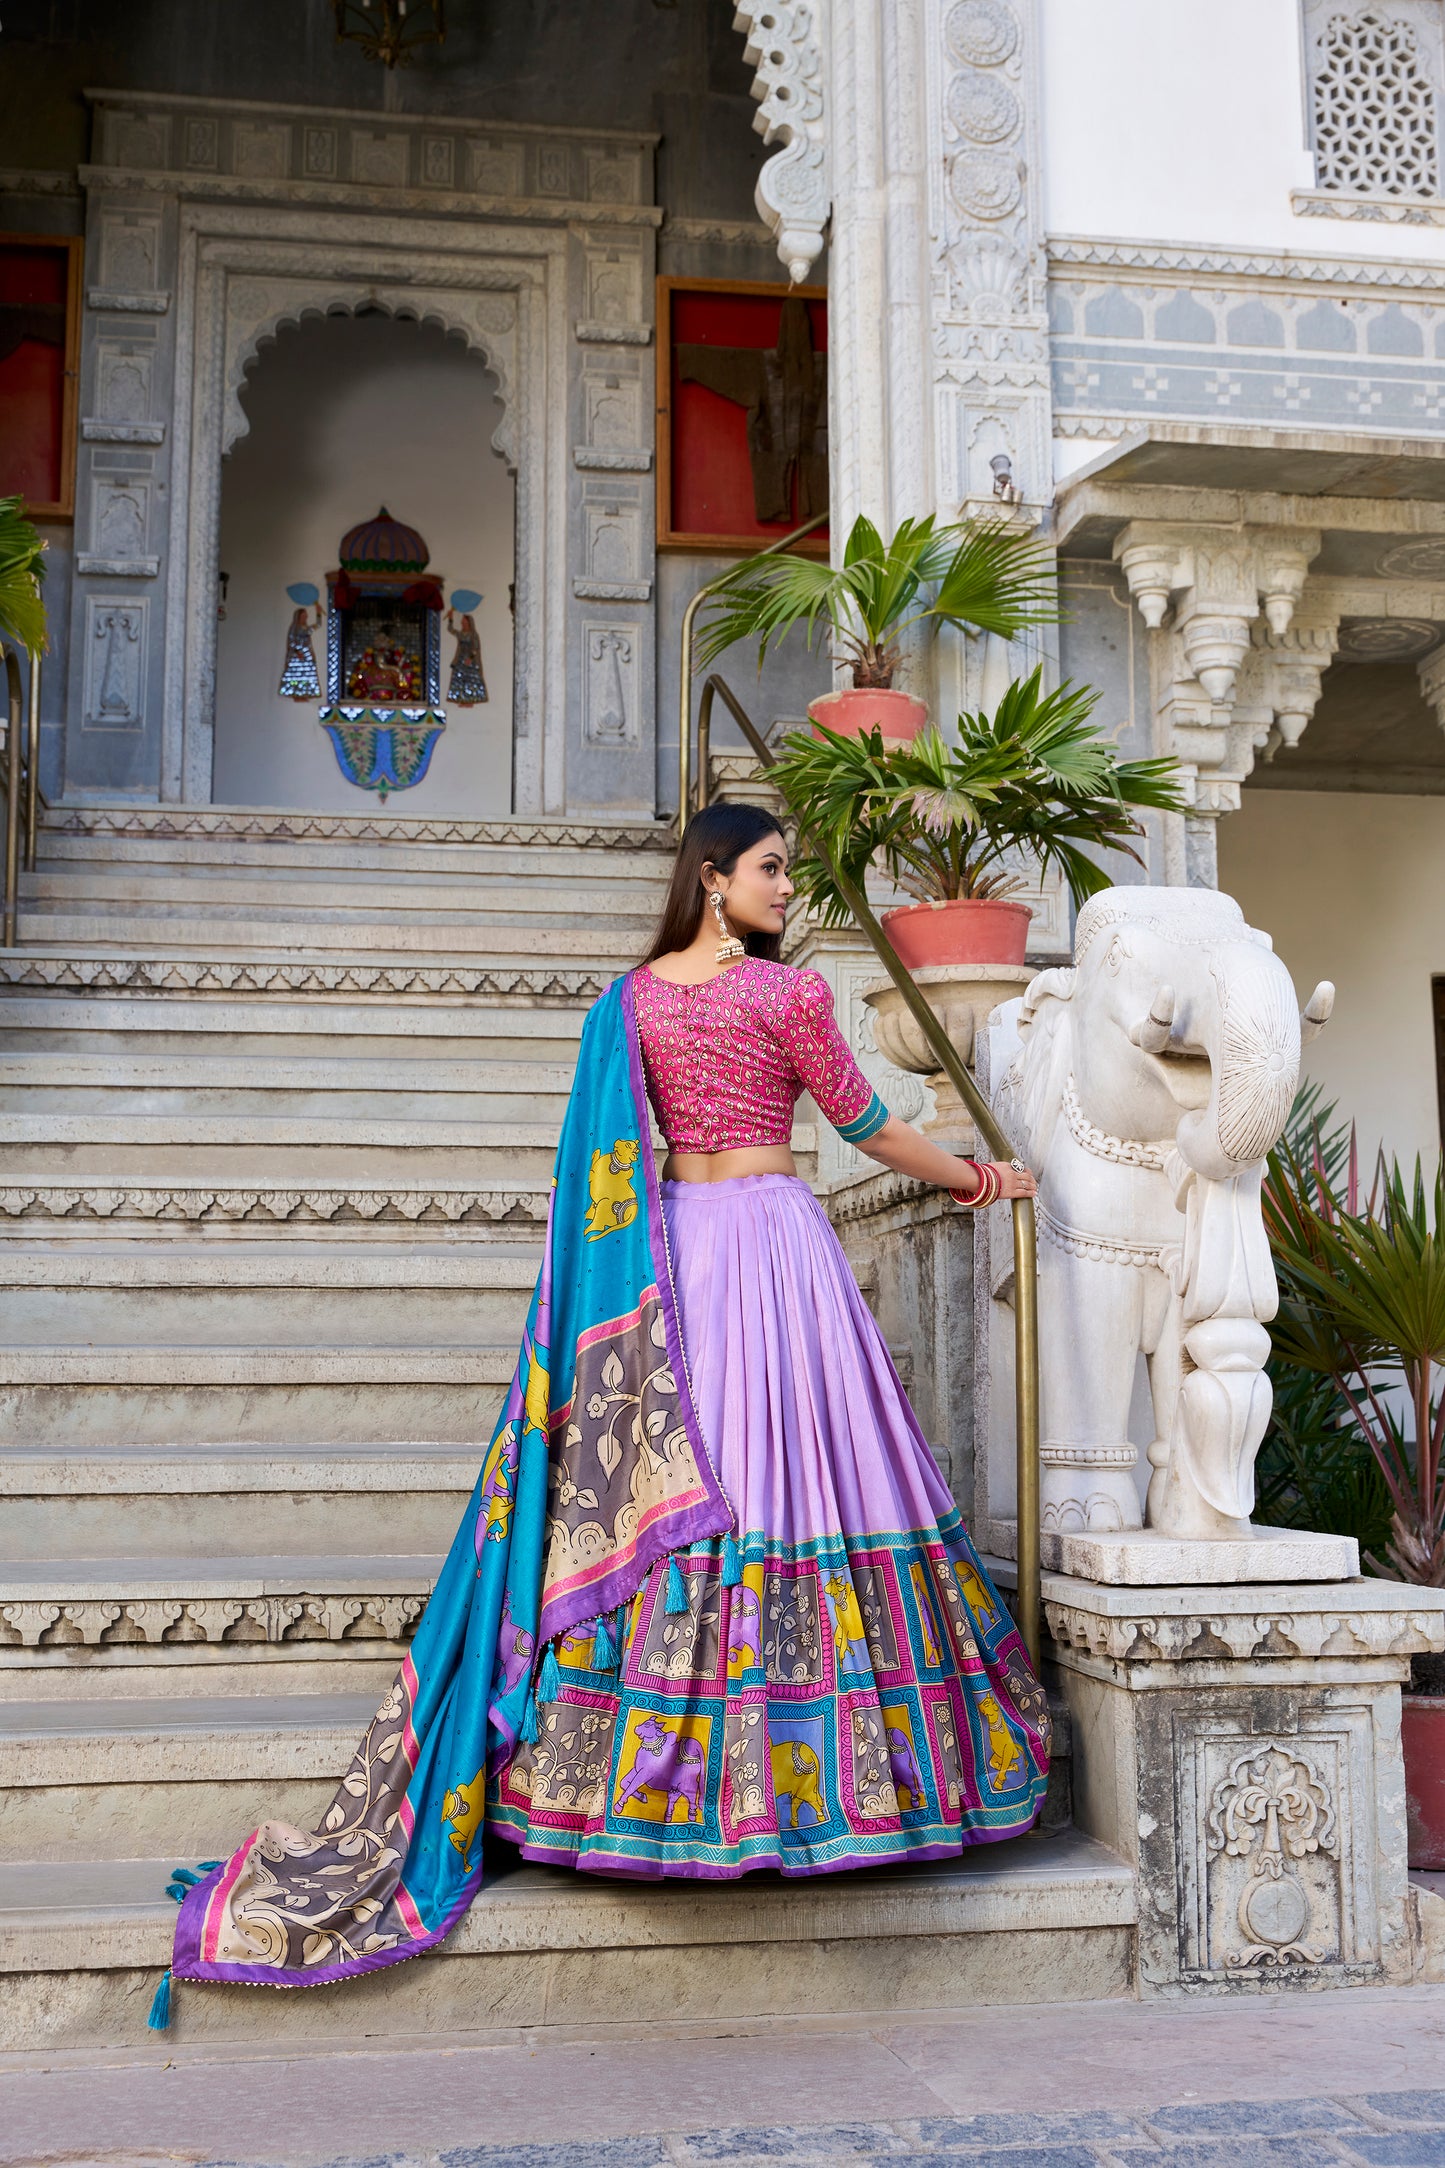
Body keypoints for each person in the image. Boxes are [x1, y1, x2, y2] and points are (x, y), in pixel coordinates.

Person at [168, 803, 1049, 2003]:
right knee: (788, 1478)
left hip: (670, 1259)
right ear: (712, 876)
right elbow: (869, 1126)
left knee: (691, 1483)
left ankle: (636, 1790)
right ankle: (827, 1789)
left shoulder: (624, 1004)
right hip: (771, 1252)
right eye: (770, 868)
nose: (786, 888)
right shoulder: (788, 996)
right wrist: (981, 1176)